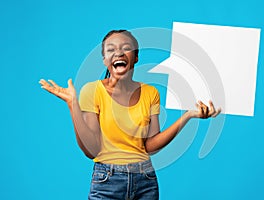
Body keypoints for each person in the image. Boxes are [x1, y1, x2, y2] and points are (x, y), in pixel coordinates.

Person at [39, 29, 221, 200]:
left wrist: (188, 115)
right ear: (105, 60)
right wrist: (73, 106)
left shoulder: (151, 93)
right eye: (111, 49)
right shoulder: (92, 90)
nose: (118, 53)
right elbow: (91, 149)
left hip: (145, 180)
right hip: (107, 181)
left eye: (126, 48)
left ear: (135, 58)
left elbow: (150, 145)